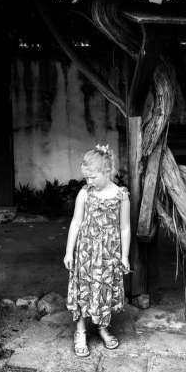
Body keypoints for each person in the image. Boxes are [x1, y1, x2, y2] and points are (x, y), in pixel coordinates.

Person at [64, 144, 130, 357]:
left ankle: (102, 327)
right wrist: (68, 251)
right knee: (84, 289)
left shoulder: (121, 196)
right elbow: (75, 223)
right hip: (86, 253)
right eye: (86, 178)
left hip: (108, 254)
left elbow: (125, 227)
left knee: (103, 290)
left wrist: (125, 256)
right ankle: (81, 330)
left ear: (107, 172)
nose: (88, 182)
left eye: (93, 177)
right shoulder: (85, 194)